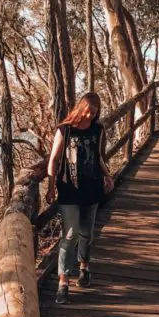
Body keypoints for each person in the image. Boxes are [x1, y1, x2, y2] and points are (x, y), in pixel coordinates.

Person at [46, 92, 114, 304]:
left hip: (92, 188)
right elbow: (54, 160)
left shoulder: (98, 129)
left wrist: (107, 175)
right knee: (70, 234)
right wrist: (50, 187)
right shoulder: (64, 130)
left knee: (87, 233)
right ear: (80, 108)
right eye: (87, 112)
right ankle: (63, 282)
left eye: (93, 113)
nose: (89, 116)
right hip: (69, 189)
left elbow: (98, 156)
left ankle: (84, 268)